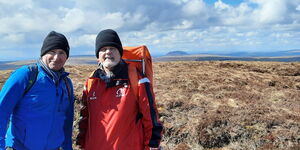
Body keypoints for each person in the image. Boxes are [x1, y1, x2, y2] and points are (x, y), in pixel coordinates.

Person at [76, 29, 163, 150]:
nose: (108, 52)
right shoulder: (91, 82)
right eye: (103, 49)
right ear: (98, 56)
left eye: (113, 48)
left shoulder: (137, 80)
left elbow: (150, 117)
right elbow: (84, 119)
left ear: (120, 52)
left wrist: (153, 145)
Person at [0, 31, 74, 150]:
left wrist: (68, 147)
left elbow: (67, 122)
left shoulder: (67, 84)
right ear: (43, 54)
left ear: (66, 57)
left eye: (62, 52)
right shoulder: (26, 75)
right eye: (52, 52)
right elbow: (1, 111)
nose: (56, 57)